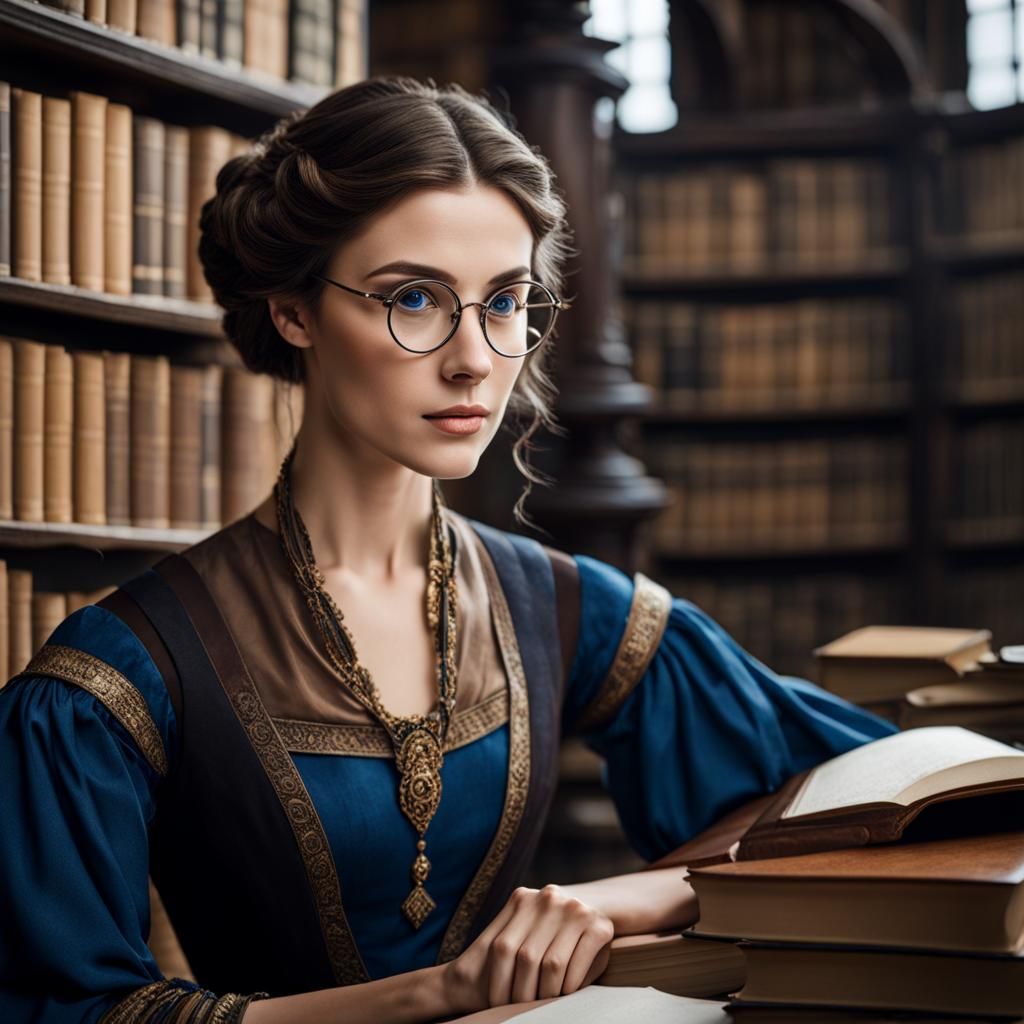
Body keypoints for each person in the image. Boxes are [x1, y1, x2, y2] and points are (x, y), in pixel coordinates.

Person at [0, 76, 899, 1023]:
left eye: (505, 302)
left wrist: (620, 899)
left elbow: (877, 805)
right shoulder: (120, 675)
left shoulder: (560, 604)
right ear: (294, 311)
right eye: (416, 298)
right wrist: (437, 994)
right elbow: (75, 1011)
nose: (475, 356)